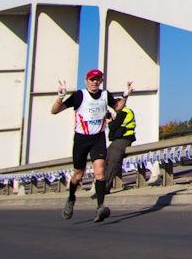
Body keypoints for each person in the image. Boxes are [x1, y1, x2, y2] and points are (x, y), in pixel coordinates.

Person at [51, 69, 132, 223]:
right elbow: (55, 111)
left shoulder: (104, 95)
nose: (95, 82)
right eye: (92, 79)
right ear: (86, 81)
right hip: (81, 140)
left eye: (98, 79)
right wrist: (60, 98)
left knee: (100, 171)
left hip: (98, 139)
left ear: (101, 81)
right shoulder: (79, 96)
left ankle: (100, 207)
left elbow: (118, 107)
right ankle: (70, 198)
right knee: (78, 175)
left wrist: (125, 95)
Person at [104, 106, 137, 194]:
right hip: (118, 140)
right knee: (106, 159)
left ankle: (104, 188)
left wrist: (110, 122)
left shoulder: (124, 112)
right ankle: (104, 186)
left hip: (124, 139)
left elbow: (114, 127)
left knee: (112, 162)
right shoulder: (121, 113)